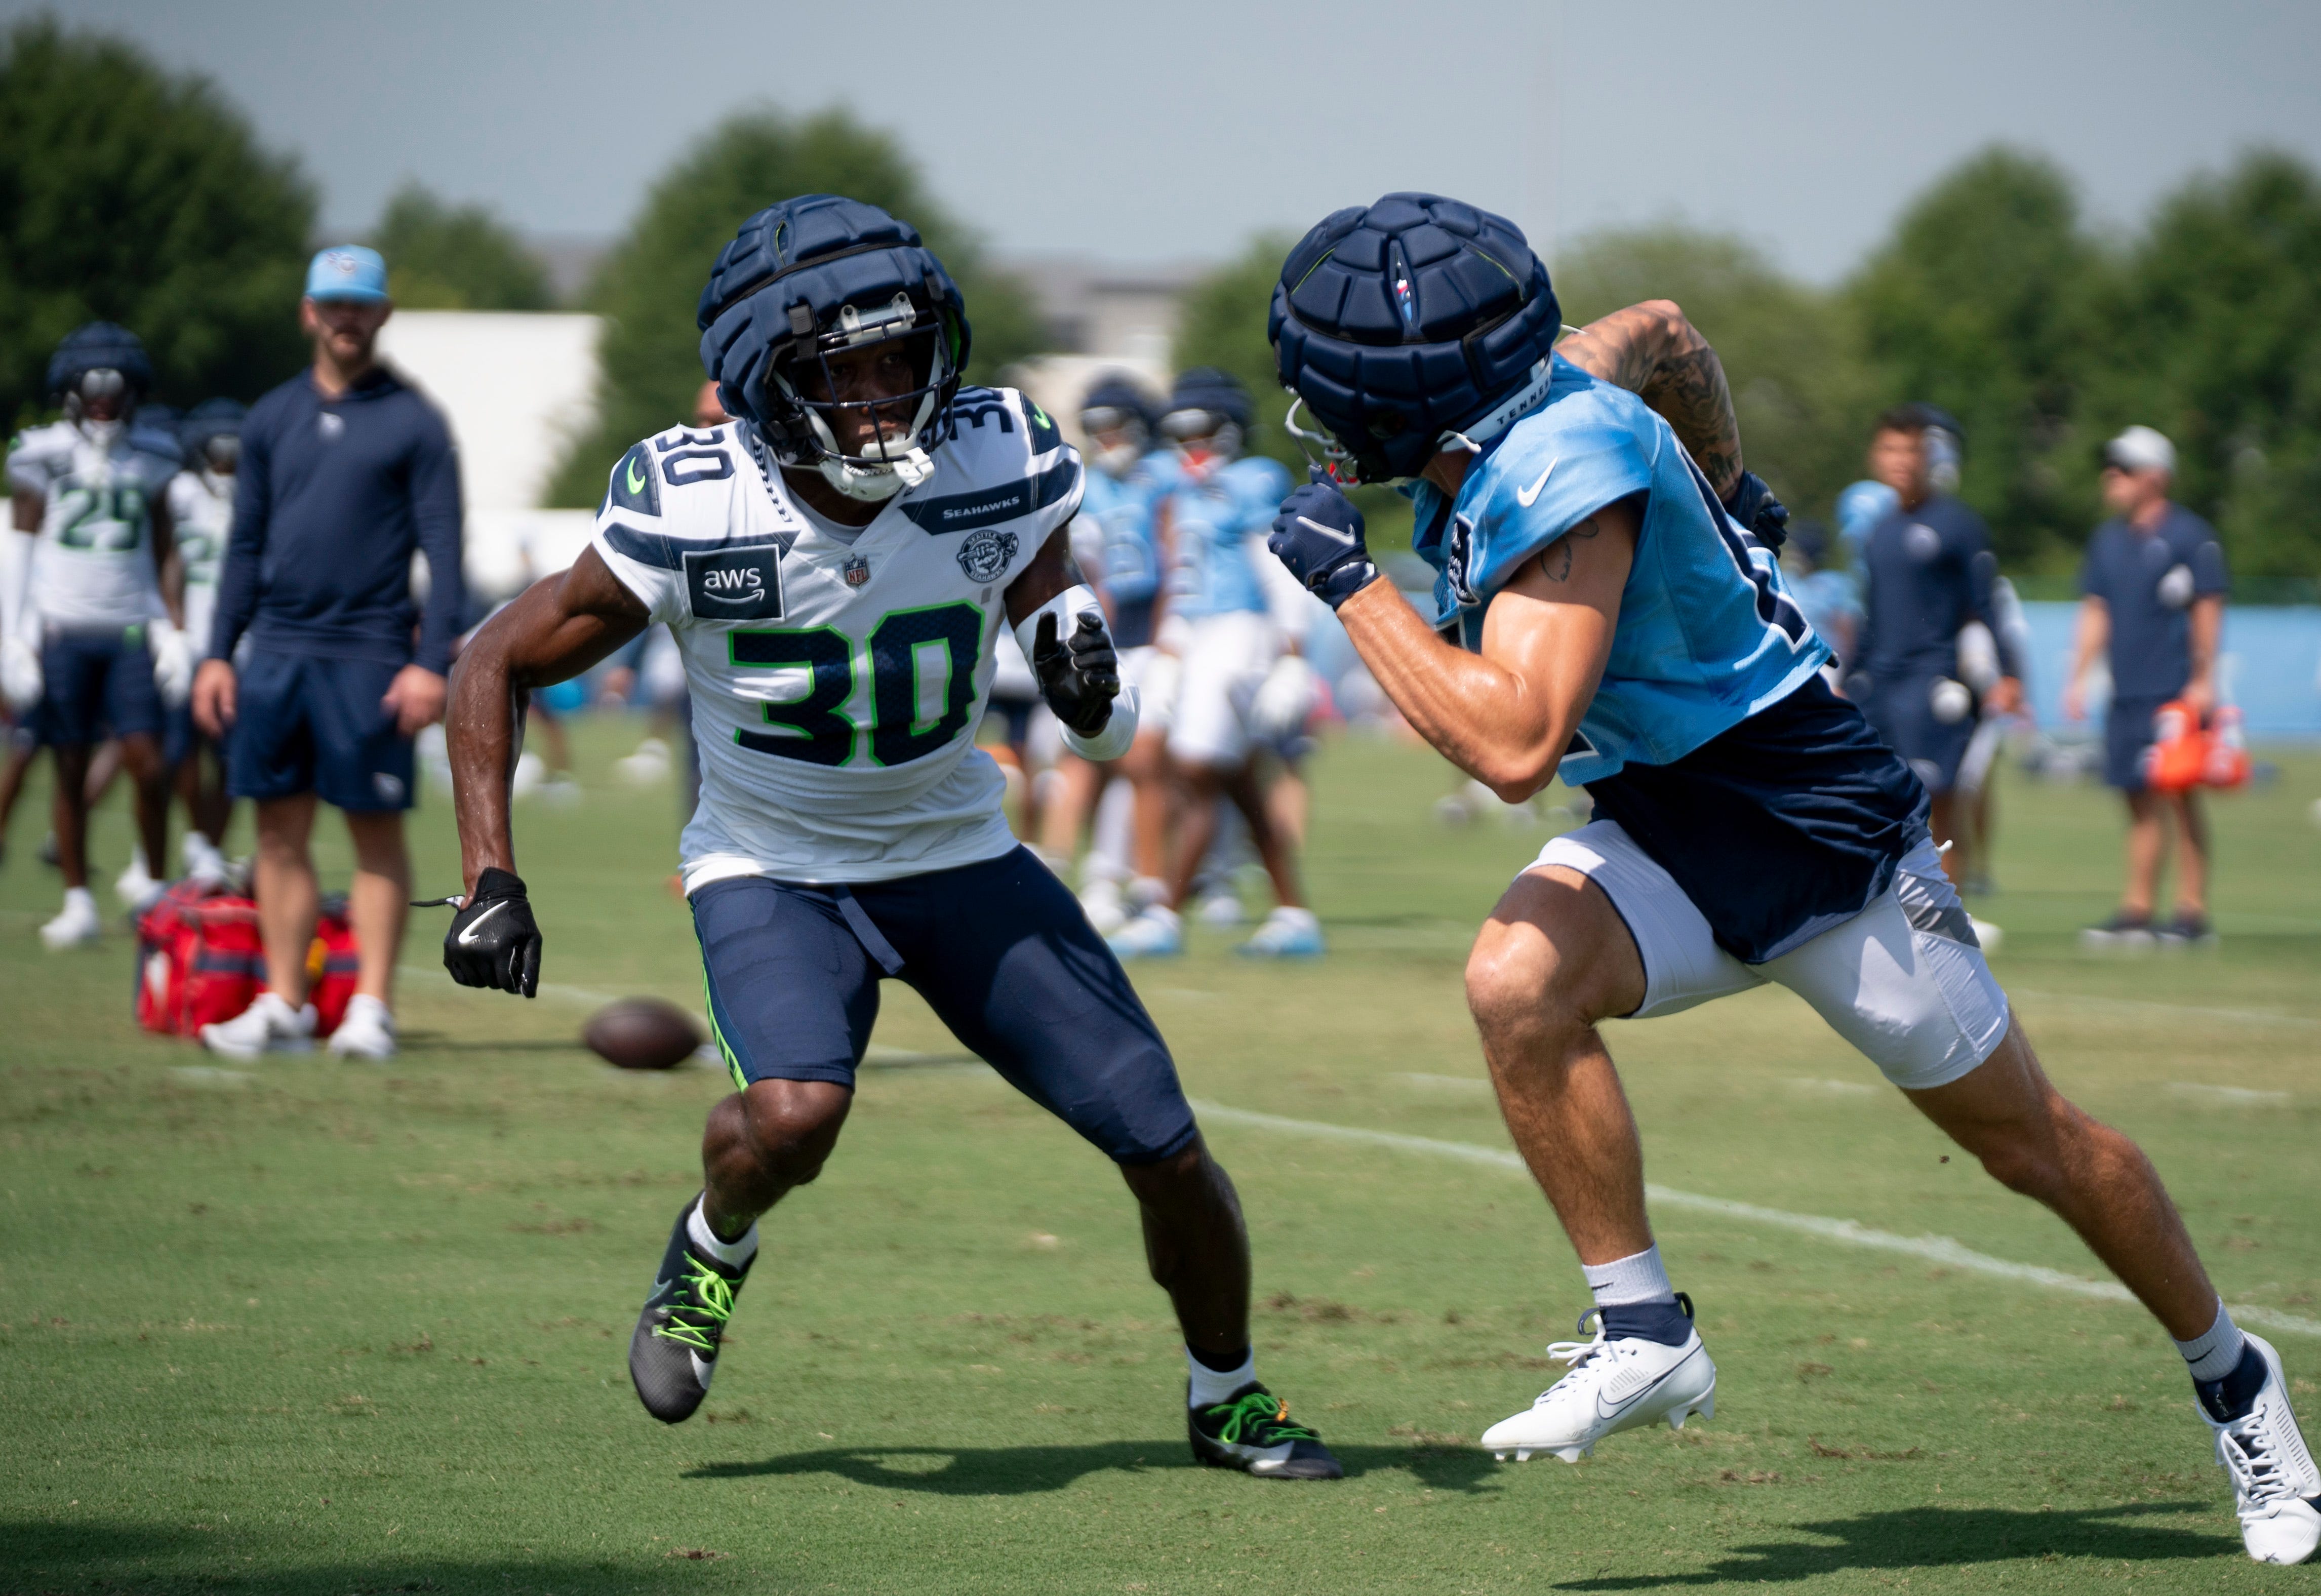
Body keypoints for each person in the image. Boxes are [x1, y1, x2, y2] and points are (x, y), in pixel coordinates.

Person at [1261, 192, 2314, 1566]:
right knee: (1515, 979)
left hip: (1808, 830)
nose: (1328, 429)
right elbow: (1667, 332)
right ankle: (1643, 1329)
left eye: (1342, 400)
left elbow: (1514, 743)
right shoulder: (1552, 378)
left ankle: (2236, 1380)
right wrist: (1726, 481)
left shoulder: (1558, 468)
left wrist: (1352, 586)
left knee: (2030, 1145)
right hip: (1667, 820)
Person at [433, 195, 1340, 1479]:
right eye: (840, 372)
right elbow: (492, 656)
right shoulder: (696, 502)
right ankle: (710, 1246)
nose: (878, 399)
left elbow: (1071, 662)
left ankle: (1227, 1393)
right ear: (764, 380)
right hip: (773, 865)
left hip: (956, 854)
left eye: (896, 362)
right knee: (793, 1118)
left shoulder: (995, 456)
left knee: (1162, 1140)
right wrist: (488, 874)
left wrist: (1088, 688)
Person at [190, 246, 465, 1061]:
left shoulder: (415, 422)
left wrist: (431, 664)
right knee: (277, 833)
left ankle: (370, 1010)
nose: (347, 319)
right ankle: (284, 1004)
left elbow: (445, 553)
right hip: (276, 650)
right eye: (333, 305)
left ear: (380, 314)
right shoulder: (272, 417)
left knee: (375, 833)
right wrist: (215, 654)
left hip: (371, 656)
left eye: (361, 305)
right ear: (310, 312)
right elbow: (243, 547)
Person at [1107, 370, 1319, 960]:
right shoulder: (1183, 492)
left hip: (1242, 630)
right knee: (1240, 781)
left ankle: (1165, 914)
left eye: (1202, 432)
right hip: (1201, 634)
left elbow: (1280, 566)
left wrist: (1293, 655)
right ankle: (1295, 915)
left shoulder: (1253, 481)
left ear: (1229, 431)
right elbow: (1184, 577)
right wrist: (1173, 649)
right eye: (1181, 434)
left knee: (1197, 767)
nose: (1191, 446)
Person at [2, 323, 188, 947]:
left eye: (117, 394)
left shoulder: (156, 455)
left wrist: (175, 629)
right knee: (69, 765)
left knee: (149, 761)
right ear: (69, 394)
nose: (106, 405)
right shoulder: (41, 454)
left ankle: (157, 888)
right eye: (95, 393)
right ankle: (78, 897)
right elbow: (20, 546)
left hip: (131, 628)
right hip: (62, 626)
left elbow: (166, 549)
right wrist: (14, 638)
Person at [1850, 407, 2023, 913]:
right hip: (1879, 683)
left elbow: (1987, 603)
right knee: (1874, 796)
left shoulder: (1958, 524)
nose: (1901, 460)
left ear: (1928, 457)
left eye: (1911, 450)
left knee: (1939, 797)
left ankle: (1951, 915)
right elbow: (1871, 614)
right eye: (1890, 449)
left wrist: (2009, 673)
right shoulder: (1879, 529)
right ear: (1876, 457)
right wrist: (1848, 674)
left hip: (1933, 680)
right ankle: (1884, 910)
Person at [2064, 425, 2229, 947]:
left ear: (2157, 476)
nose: (2113, 478)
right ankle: (2137, 909)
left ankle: (2191, 911)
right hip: (2128, 688)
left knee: (2180, 798)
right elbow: (2097, 609)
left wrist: (2204, 679)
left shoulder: (2189, 535)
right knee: (2135, 799)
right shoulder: (2108, 540)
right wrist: (2080, 675)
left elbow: (2207, 607)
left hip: (2174, 688)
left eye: (2126, 469)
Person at [1039, 372, 1175, 932]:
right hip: (1104, 636)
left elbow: (1176, 559)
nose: (1106, 438)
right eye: (1096, 428)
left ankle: (1142, 882)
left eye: (1116, 426)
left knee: (1141, 760)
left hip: (1157, 634)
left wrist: (1174, 632)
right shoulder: (1085, 484)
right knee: (1085, 754)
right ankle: (1068, 872)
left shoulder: (1165, 480)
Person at [165, 399, 247, 882]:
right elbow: (166, 561)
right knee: (179, 753)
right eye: (217, 459)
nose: (225, 470)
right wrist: (171, 629)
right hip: (191, 640)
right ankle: (198, 840)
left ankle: (209, 847)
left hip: (244, 646)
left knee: (235, 758)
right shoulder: (179, 495)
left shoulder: (262, 494)